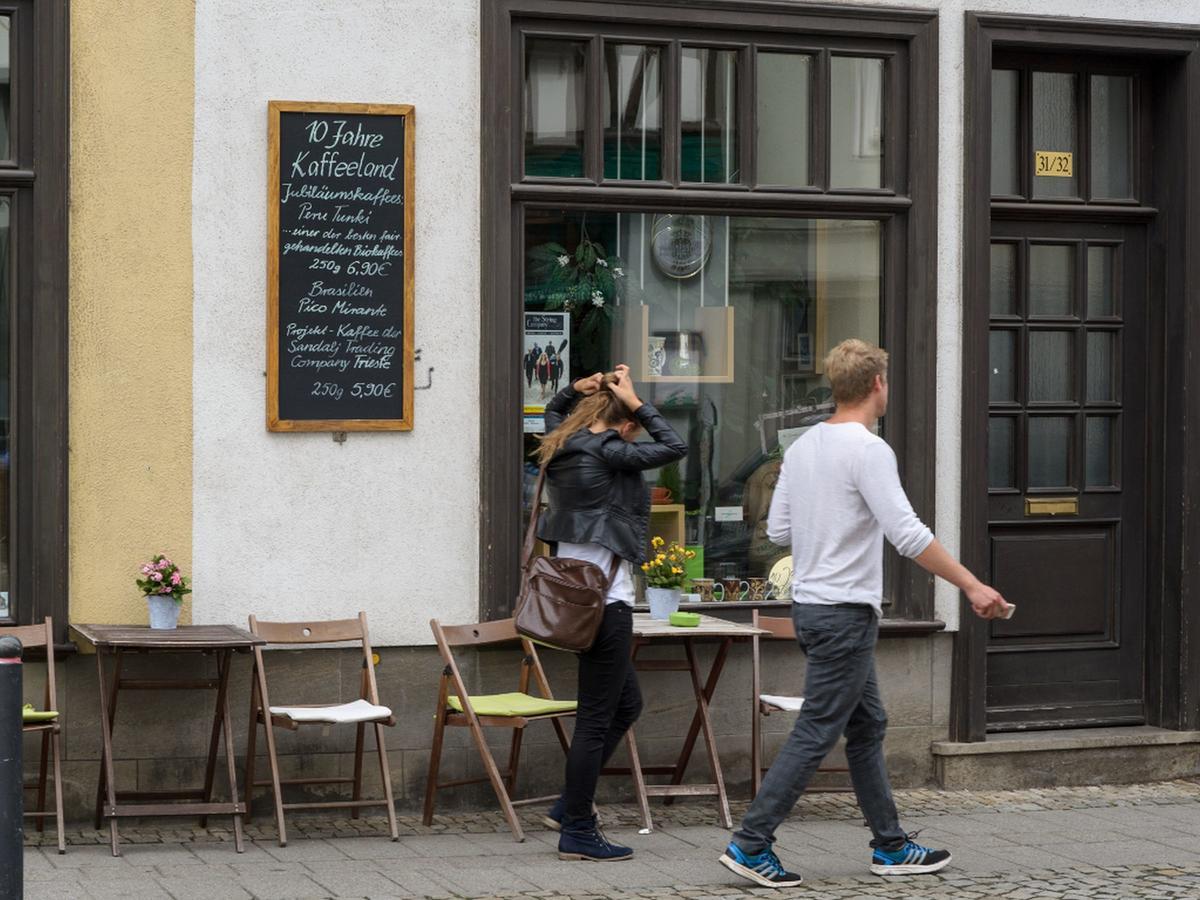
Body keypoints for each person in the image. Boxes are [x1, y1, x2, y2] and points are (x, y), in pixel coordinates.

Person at [719, 339, 1011, 888]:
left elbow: (779, 531)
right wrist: (972, 585)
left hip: (810, 607)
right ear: (877, 385)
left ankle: (892, 846)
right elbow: (907, 534)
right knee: (817, 729)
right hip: (844, 613)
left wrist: (825, 524)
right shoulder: (869, 449)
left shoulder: (802, 448)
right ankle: (751, 843)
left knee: (867, 722)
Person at [534, 364, 686, 862]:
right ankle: (577, 827)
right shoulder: (612, 451)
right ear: (625, 425)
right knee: (596, 719)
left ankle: (567, 805)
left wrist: (572, 390)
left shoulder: (562, 448)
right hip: (605, 602)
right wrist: (638, 402)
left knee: (625, 705)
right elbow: (674, 447)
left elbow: (553, 416)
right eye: (634, 424)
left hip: (570, 599)